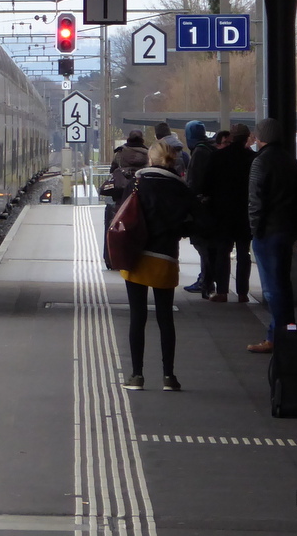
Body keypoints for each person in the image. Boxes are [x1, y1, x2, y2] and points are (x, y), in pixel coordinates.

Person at [121, 140, 193, 391]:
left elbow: (122, 216)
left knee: (137, 317)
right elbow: (194, 219)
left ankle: (137, 375)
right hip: (165, 258)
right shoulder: (179, 187)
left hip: (137, 257)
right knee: (165, 319)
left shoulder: (137, 184)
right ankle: (168, 377)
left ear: (150, 160)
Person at [246, 117, 297, 353]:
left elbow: (255, 200)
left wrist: (254, 230)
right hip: (286, 229)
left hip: (268, 231)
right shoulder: (291, 161)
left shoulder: (261, 162)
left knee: (273, 288)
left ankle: (277, 338)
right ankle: (288, 332)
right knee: (283, 285)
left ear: (261, 138)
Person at [202, 123, 257, 303]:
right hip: (244, 212)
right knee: (243, 253)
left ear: (231, 137)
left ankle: (222, 291)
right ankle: (242, 293)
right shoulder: (252, 159)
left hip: (222, 211)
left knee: (222, 252)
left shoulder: (217, 157)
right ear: (247, 137)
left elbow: (206, 184)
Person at [103, 130, 150, 267]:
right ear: (142, 139)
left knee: (115, 225)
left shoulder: (120, 153)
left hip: (120, 196)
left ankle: (113, 259)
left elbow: (112, 170)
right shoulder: (148, 154)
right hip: (139, 196)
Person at [183, 120, 217, 298]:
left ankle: (206, 280)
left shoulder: (200, 152)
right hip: (214, 205)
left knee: (202, 245)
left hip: (202, 207)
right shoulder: (212, 148)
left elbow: (194, 182)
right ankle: (207, 279)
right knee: (209, 247)